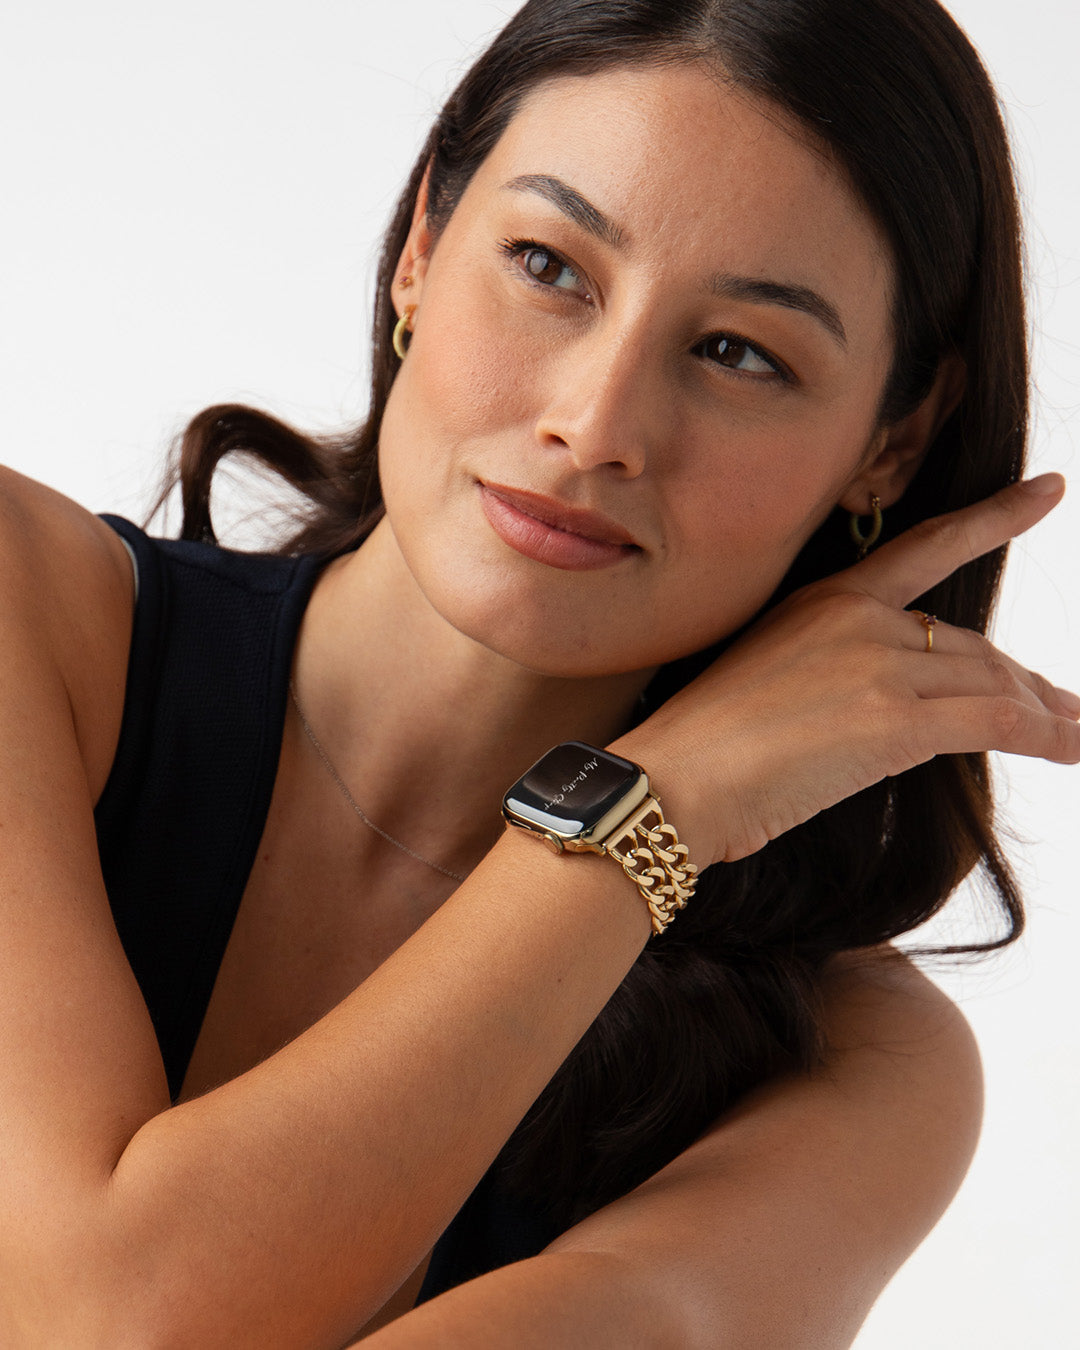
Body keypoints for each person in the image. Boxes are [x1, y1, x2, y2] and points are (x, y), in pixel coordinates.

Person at [1, 0, 1076, 1345]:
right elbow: (108, 1314)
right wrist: (642, 814)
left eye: (739, 352)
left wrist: (647, 816)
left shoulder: (854, 1072)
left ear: (891, 447)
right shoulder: (28, 607)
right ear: (423, 247)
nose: (596, 420)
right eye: (548, 265)